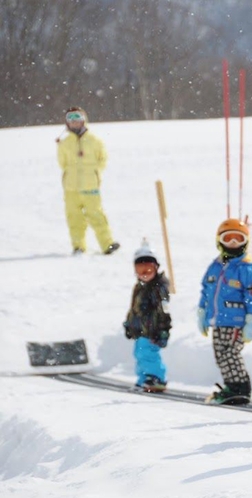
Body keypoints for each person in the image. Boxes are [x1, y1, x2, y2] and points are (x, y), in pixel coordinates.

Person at [198, 218, 252, 405]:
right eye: (229, 238)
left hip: (236, 321)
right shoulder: (215, 266)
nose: (233, 243)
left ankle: (240, 387)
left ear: (246, 242)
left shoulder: (247, 268)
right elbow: (207, 290)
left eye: (238, 239)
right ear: (219, 241)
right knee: (220, 353)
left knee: (230, 353)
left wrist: (251, 319)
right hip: (219, 320)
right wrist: (202, 312)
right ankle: (231, 386)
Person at [56, 106, 120, 256]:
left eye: (77, 118)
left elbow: (102, 159)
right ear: (67, 123)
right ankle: (78, 246)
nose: (74, 122)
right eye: (70, 119)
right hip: (71, 187)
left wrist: (95, 172)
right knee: (74, 218)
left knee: (96, 215)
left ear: (83, 120)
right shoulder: (64, 143)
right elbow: (62, 163)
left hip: (90, 185)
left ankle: (107, 244)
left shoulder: (94, 141)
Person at [123, 241, 171, 392]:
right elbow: (134, 308)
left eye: (148, 269)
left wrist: (163, 329)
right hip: (141, 330)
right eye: (140, 269)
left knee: (148, 353)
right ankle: (144, 378)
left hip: (153, 330)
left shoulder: (158, 288)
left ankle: (156, 377)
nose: (145, 273)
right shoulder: (139, 287)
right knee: (139, 353)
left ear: (156, 268)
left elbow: (164, 311)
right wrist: (129, 324)